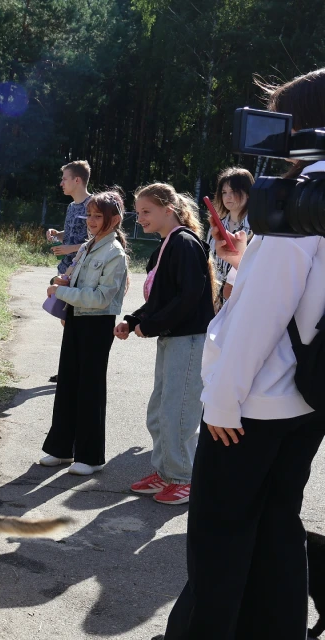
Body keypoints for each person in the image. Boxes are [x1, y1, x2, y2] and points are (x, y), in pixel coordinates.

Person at [160, 67, 325, 640]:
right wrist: (243, 260)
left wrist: (222, 403)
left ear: (302, 125)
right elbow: (307, 294)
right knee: (278, 530)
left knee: (219, 540)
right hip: (309, 397)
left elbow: (259, 317)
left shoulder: (304, 199)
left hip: (255, 405)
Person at [114, 183, 216, 505]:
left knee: (179, 413)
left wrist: (152, 326)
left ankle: (183, 478)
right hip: (174, 340)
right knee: (160, 410)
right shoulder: (166, 245)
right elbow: (162, 298)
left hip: (188, 341)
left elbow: (189, 297)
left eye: (147, 211)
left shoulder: (184, 243)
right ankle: (165, 473)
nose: (139, 217)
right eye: (138, 211)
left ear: (167, 210)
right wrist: (133, 321)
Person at [39, 191, 129, 476]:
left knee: (89, 388)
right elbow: (80, 281)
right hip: (77, 320)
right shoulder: (89, 245)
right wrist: (64, 280)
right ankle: (61, 449)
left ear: (114, 220)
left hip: (97, 324)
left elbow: (102, 297)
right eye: (89, 215)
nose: (91, 220)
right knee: (67, 382)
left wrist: (63, 291)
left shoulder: (115, 253)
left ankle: (90, 457)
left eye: (97, 216)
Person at [46, 160, 92, 382]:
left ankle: (75, 370)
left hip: (84, 272)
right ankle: (69, 368)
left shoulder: (95, 205)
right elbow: (72, 233)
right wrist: (58, 234)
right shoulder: (71, 206)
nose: (61, 183)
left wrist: (70, 248)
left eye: (65, 178)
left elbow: (97, 240)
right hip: (67, 271)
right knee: (65, 319)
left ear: (77, 180)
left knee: (76, 322)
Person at [207, 167, 254, 306]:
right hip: (214, 299)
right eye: (224, 192)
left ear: (248, 193)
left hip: (242, 299)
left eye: (234, 191)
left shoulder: (258, 229)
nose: (228, 197)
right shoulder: (215, 227)